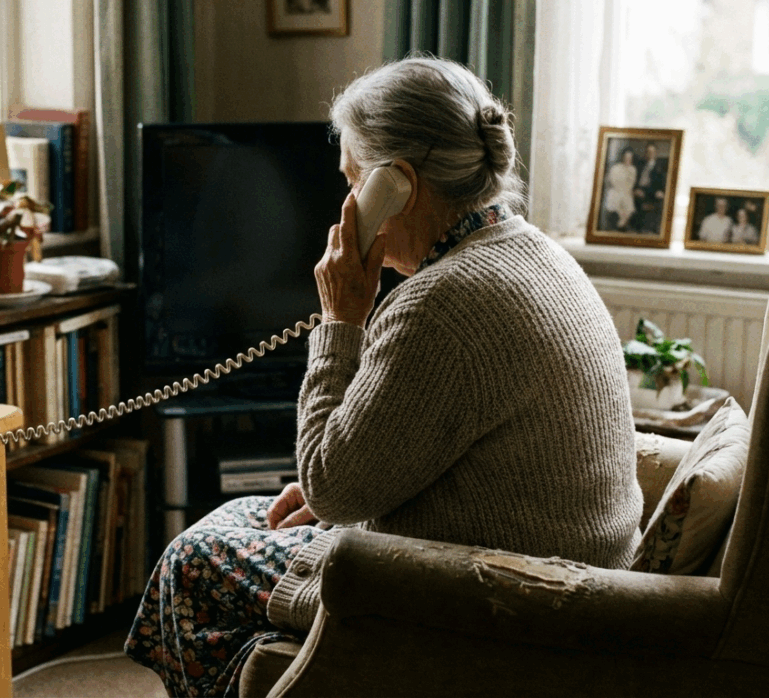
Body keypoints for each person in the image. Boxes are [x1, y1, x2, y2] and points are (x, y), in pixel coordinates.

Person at [125, 55, 643, 697]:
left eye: (353, 181)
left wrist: (341, 318)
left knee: (192, 557)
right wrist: (329, 493)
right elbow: (434, 442)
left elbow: (335, 486)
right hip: (564, 575)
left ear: (395, 184)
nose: (347, 205)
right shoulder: (536, 252)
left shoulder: (441, 303)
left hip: (473, 597)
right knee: (251, 518)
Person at [632, 143, 668, 234]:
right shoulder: (640, 164)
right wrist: (635, 189)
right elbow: (634, 179)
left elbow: (662, 183)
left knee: (656, 201)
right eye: (648, 152)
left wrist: (661, 191)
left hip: (652, 191)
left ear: (656, 153)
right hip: (640, 189)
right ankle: (637, 229)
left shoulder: (661, 166)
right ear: (646, 153)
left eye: (652, 152)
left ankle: (649, 229)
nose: (650, 154)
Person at [603, 148, 638, 231]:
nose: (628, 160)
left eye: (630, 158)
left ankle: (621, 226)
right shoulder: (616, 168)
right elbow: (612, 181)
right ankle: (620, 226)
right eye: (626, 157)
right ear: (622, 157)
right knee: (615, 200)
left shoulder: (633, 169)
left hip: (626, 192)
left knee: (627, 207)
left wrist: (626, 189)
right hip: (616, 191)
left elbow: (631, 184)